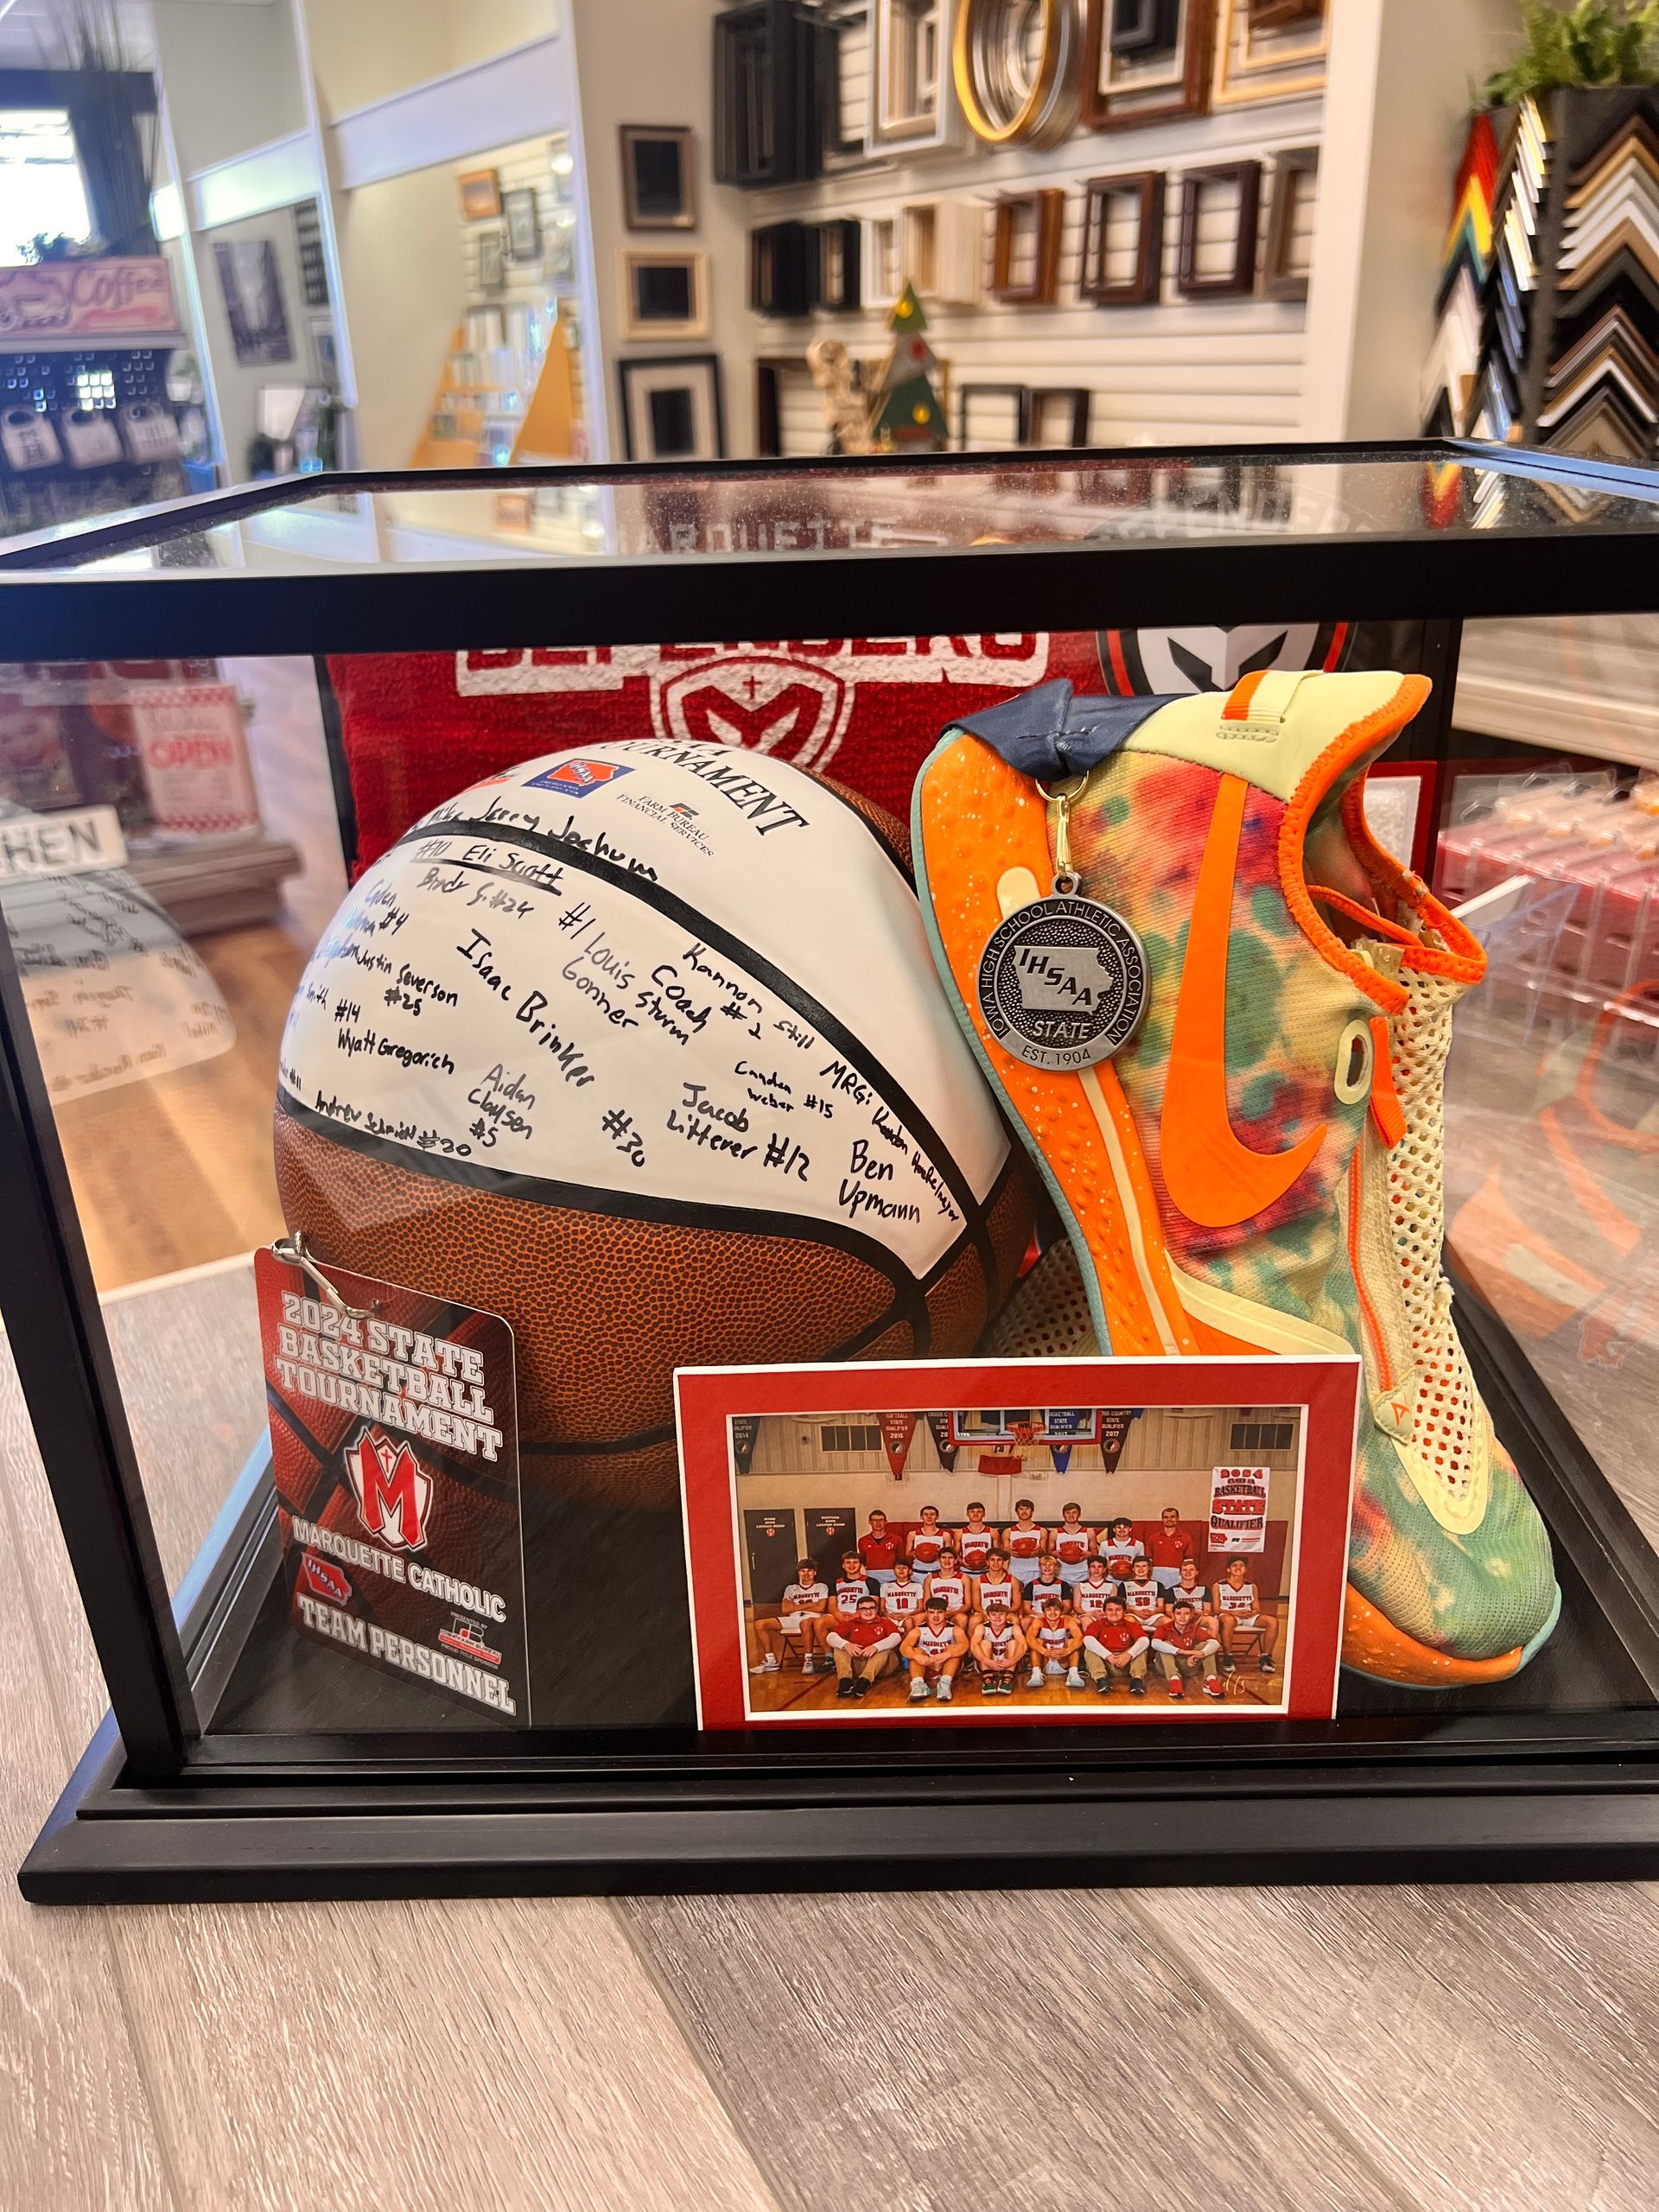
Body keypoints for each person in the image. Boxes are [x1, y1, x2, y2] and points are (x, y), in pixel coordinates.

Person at [751, 1559, 829, 1674]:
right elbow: (785, 1609)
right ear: (798, 1573)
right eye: (803, 1571)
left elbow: (820, 1608)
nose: (806, 1574)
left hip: (813, 1618)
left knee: (805, 1623)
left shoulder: (821, 1587)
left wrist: (796, 1606)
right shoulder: (791, 1589)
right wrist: (810, 1604)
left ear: (815, 1572)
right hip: (793, 1618)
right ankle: (771, 1661)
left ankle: (808, 1660)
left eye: (809, 1571)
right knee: (760, 1624)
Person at [823, 1593, 902, 1700]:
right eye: (864, 1609)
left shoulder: (884, 1622)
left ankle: (864, 1682)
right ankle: (845, 1680)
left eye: (871, 1608)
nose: (868, 1612)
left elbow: (896, 1637)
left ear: (877, 1609)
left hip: (882, 1665)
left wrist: (876, 1646)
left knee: (884, 1649)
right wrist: (846, 1645)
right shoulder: (852, 1623)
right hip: (858, 1663)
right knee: (840, 1646)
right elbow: (830, 1637)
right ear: (858, 1611)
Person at [1216, 1556, 1278, 1675]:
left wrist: (1251, 1613)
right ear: (1228, 1569)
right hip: (1229, 1615)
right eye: (1234, 1565)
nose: (1238, 1568)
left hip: (1247, 1616)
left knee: (1273, 1621)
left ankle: (1265, 1658)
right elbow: (1216, 1610)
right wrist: (1235, 1613)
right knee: (1228, 1621)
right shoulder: (1219, 1585)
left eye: (1241, 1566)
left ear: (1245, 1570)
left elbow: (1257, 1608)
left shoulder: (1252, 1586)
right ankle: (1228, 1658)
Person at [1151, 1599, 1224, 1701]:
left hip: (1189, 1666)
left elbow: (1215, 1643)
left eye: (1186, 1614)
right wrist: (1187, 1652)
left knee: (1207, 1645)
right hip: (1165, 1667)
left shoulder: (1194, 1628)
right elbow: (1155, 1644)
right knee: (1165, 1645)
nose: (1182, 1617)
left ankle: (1210, 1679)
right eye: (1178, 1613)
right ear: (1173, 1615)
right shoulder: (1164, 1628)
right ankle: (1174, 1680)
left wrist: (1196, 1656)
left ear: (1191, 1615)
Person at [899, 1597, 969, 1703]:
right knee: (916, 1651)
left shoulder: (954, 1629)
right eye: (932, 1612)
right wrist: (916, 1656)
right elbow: (904, 1647)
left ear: (946, 1613)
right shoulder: (919, 1630)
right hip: (927, 1666)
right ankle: (918, 1685)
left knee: (952, 1648)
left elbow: (964, 1645)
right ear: (926, 1612)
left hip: (948, 1666)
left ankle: (945, 1684)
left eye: (940, 1612)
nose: (935, 1616)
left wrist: (947, 1654)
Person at [810, 1551, 874, 1657]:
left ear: (861, 1564)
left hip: (861, 1617)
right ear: (843, 1565)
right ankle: (829, 1657)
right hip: (840, 1616)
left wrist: (856, 1615)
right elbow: (832, 1604)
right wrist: (838, 1615)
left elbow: (873, 1603)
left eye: (855, 1562)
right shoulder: (836, 1582)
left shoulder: (871, 1582)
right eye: (848, 1562)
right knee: (819, 1622)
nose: (852, 1565)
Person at [1081, 1598, 1150, 1697]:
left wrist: (1128, 1655)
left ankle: (1137, 1680)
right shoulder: (1097, 1624)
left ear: (1125, 1612)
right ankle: (1101, 1680)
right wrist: (1108, 1656)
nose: (1114, 1613)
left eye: (1118, 1610)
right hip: (1107, 1663)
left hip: (1126, 1663)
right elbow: (1088, 1639)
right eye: (1110, 1610)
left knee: (1141, 1649)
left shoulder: (1131, 1625)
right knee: (1089, 1650)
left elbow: (1144, 1640)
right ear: (1104, 1612)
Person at [1024, 1594, 1084, 1690]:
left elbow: (1080, 1638)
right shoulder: (1038, 1621)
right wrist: (1044, 1651)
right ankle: (1036, 1674)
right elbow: (1030, 1638)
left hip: (1063, 1661)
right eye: (1048, 1609)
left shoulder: (1068, 1621)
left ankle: (1073, 1674)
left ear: (1061, 1611)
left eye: (1056, 1609)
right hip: (1045, 1660)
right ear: (1044, 1612)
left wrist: (1067, 1651)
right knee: (1037, 1642)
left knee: (1072, 1642)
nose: (1053, 1612)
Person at [972, 1599, 1027, 1696]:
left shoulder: (1014, 1627)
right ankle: (988, 1680)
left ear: (1006, 1616)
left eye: (1001, 1614)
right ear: (988, 1616)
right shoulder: (981, 1627)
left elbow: (1023, 1645)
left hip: (1008, 1663)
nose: (997, 1617)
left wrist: (1012, 1661)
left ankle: (1007, 1679)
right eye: (993, 1614)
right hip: (988, 1662)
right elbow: (973, 1646)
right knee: (984, 1643)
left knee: (1014, 1643)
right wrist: (986, 1661)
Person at [1147, 1505, 1197, 1592]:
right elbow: (1149, 1559)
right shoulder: (1153, 1538)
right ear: (1162, 1519)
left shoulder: (1185, 1538)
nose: (1169, 1519)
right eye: (1166, 1517)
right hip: (1157, 1573)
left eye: (1172, 1517)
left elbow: (1188, 1560)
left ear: (1177, 1518)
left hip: (1176, 1573)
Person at [969, 1549, 1020, 1630]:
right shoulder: (978, 1581)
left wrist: (1004, 1613)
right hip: (985, 1613)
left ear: (1003, 1562)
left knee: (1015, 1619)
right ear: (987, 1562)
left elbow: (1017, 1604)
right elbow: (976, 1605)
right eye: (992, 1560)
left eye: (999, 1560)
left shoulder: (1013, 1580)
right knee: (974, 1620)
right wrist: (986, 1613)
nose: (996, 1563)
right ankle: (972, 1643)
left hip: (1006, 1613)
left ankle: (1015, 1642)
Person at [921, 1548, 970, 1632]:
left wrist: (952, 1612)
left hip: (956, 1612)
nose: (947, 1560)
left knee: (962, 1619)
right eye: (943, 1557)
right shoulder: (930, 1579)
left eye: (950, 1558)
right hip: (935, 1612)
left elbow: (968, 1605)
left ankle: (959, 1643)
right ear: (938, 1560)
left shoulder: (964, 1578)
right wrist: (939, 1613)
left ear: (955, 1561)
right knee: (918, 1618)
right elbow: (926, 1604)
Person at [1052, 1503, 1096, 1587]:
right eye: (1068, 1513)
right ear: (1063, 1515)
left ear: (1079, 1514)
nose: (1071, 1515)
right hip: (1061, 1574)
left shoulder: (1089, 1532)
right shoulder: (1055, 1533)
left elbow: (1095, 1554)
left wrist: (1088, 1554)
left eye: (1074, 1512)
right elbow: (1048, 1553)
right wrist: (1056, 1554)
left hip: (1083, 1574)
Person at [1004, 1498, 1046, 1586]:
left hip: (1034, 1570)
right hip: (1015, 1570)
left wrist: (1039, 1551)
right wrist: (1008, 1551)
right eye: (1021, 1509)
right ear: (1016, 1512)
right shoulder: (1008, 1532)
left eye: (1027, 1508)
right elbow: (1004, 1554)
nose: (1024, 1511)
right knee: (1016, 1598)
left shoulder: (1041, 1531)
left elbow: (1044, 1554)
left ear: (1032, 1511)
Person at [1071, 1555, 1121, 1629]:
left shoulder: (1112, 1586)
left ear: (1104, 1569)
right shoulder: (1080, 1585)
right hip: (1086, 1614)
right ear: (1088, 1569)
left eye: (1100, 1567)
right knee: (1086, 1622)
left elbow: (1113, 1606)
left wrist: (1105, 1613)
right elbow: (1076, 1607)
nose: (1096, 1570)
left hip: (1106, 1615)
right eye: (1093, 1567)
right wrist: (1089, 1613)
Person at [1120, 1555, 1164, 1634]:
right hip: (1133, 1614)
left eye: (1144, 1566)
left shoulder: (1157, 1584)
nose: (1141, 1569)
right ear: (1133, 1569)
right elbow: (1122, 1606)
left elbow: (1161, 1607)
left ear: (1149, 1568)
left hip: (1152, 1615)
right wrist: (1135, 1611)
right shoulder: (1124, 1585)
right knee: (1126, 1622)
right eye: (1137, 1566)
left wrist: (1153, 1612)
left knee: (1170, 1623)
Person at [857, 1509, 900, 1590]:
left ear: (886, 1522)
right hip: (872, 1575)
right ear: (870, 1522)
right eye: (875, 1520)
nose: (878, 1523)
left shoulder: (896, 1539)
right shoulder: (863, 1540)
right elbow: (863, 1560)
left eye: (881, 1520)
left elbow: (901, 1558)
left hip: (891, 1574)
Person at [906, 1504, 949, 1580]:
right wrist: (922, 1555)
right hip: (918, 1572)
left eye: (932, 1514)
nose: (929, 1517)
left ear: (937, 1517)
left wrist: (935, 1556)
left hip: (937, 1572)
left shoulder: (945, 1535)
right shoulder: (913, 1534)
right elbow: (907, 1554)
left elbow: (949, 1555)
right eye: (926, 1514)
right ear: (921, 1517)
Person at [880, 1556, 925, 1628]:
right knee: (883, 1622)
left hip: (909, 1616)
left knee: (909, 1622)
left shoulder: (917, 1586)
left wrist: (909, 1614)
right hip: (891, 1616)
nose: (901, 1570)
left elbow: (921, 1608)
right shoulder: (885, 1586)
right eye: (898, 1568)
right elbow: (882, 1609)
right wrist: (888, 1615)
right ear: (894, 1570)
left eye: (904, 1568)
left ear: (910, 1571)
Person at [955, 1501, 996, 1573]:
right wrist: (961, 1561)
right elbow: (955, 1553)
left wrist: (991, 1562)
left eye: (979, 1511)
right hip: (966, 1572)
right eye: (972, 1511)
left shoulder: (992, 1532)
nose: (975, 1514)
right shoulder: (960, 1533)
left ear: (984, 1514)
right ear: (967, 1514)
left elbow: (997, 1553)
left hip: (986, 1572)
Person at [1024, 1553, 1069, 1618]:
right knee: (1025, 1622)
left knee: (1073, 1622)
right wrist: (1037, 1615)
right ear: (1040, 1567)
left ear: (1056, 1567)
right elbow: (1026, 1607)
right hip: (1037, 1615)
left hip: (1057, 1615)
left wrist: (1056, 1616)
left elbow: (1067, 1607)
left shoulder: (1063, 1585)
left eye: (1050, 1565)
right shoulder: (1031, 1585)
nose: (1047, 1567)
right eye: (1044, 1565)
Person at [1100, 1516, 1145, 1580]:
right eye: (1118, 1527)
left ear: (1130, 1529)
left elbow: (1141, 1563)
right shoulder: (1104, 1544)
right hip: (1110, 1578)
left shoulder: (1138, 1544)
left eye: (1125, 1527)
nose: (1122, 1530)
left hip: (1129, 1578)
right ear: (1114, 1529)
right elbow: (1101, 1563)